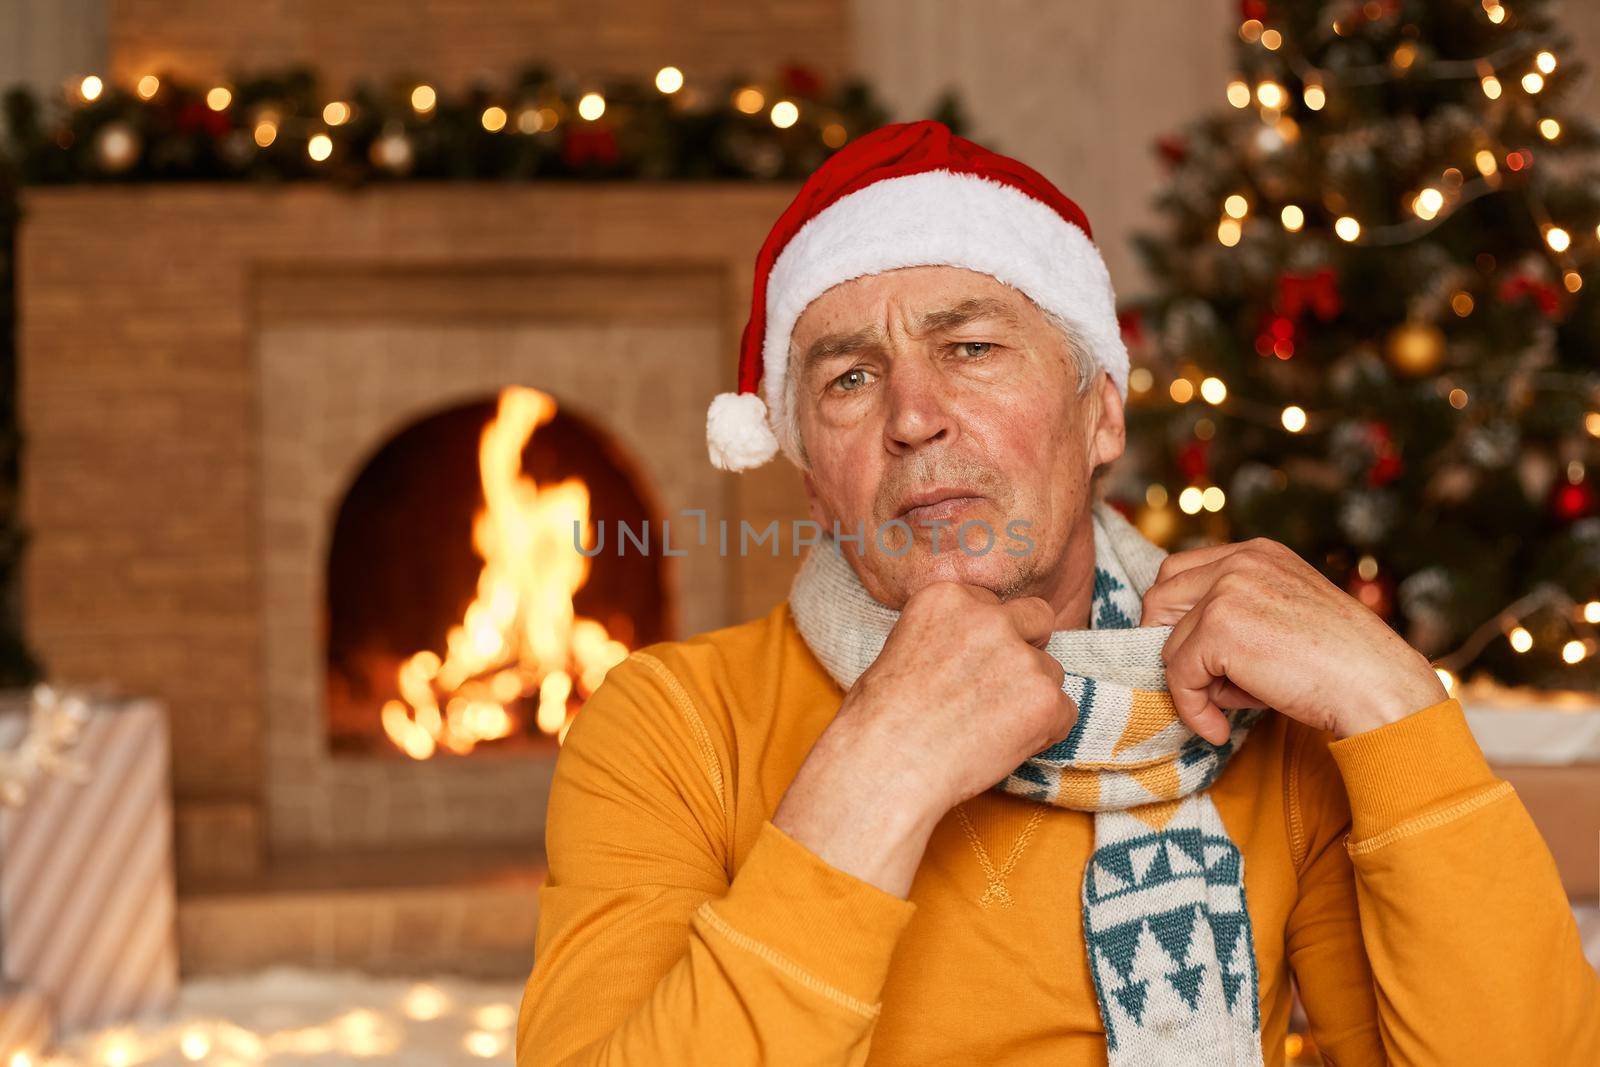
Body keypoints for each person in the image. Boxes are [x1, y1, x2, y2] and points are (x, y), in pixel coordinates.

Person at [517, 120, 1600, 1065]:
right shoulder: (667, 725)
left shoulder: (1262, 705)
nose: (911, 415)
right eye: (848, 378)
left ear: (1101, 416)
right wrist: (873, 772)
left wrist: (1394, 701)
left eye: (972, 346)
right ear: (811, 470)